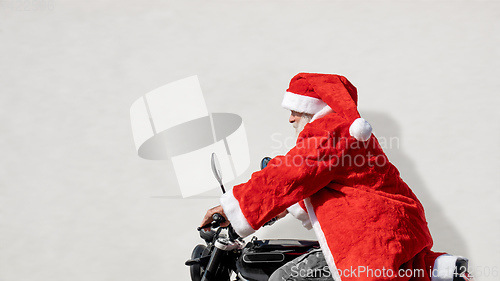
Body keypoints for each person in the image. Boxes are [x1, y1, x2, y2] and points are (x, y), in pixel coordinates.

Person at [200, 73, 471, 281]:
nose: (291, 119)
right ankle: (442, 269)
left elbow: (291, 173)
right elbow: (313, 177)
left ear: (312, 107)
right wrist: (278, 209)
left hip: (373, 234)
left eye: (295, 111)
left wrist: (230, 208)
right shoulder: (339, 133)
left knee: (285, 278)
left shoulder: (331, 130)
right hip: (393, 227)